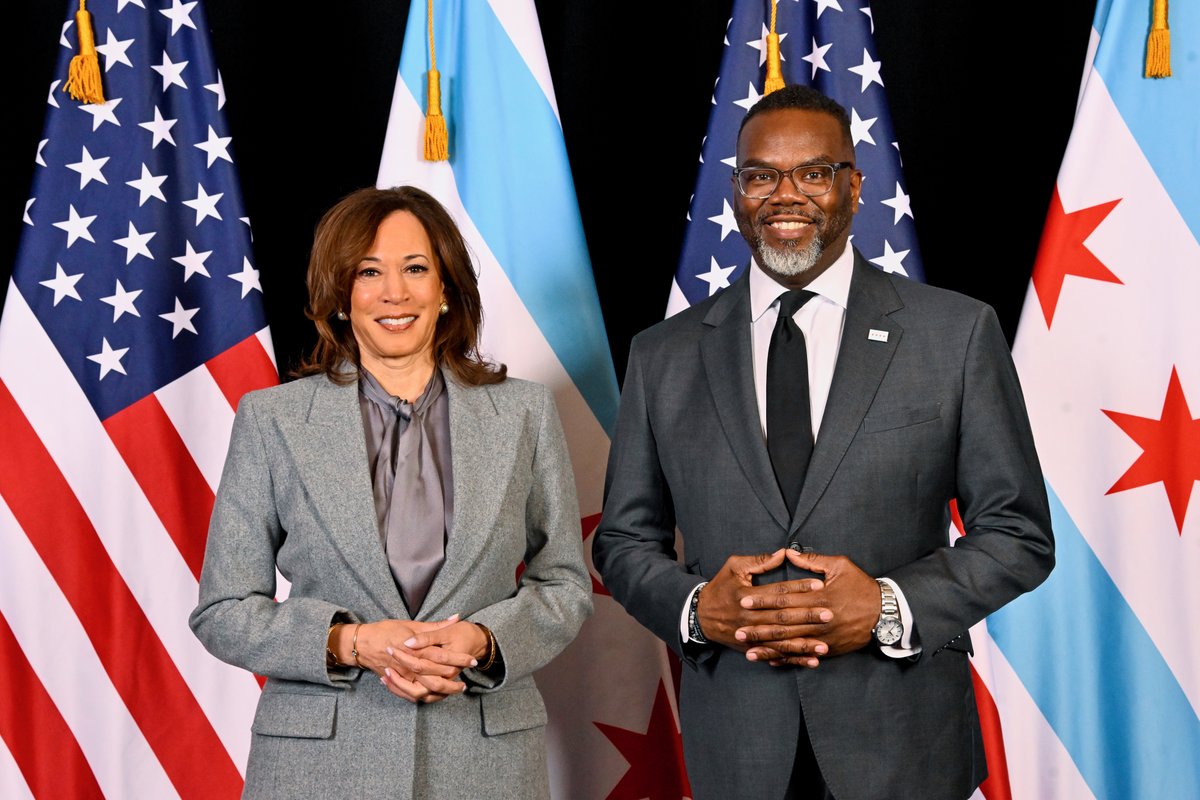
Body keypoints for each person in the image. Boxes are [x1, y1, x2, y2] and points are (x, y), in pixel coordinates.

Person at [592, 85, 1054, 800]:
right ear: (736, 192)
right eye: (761, 175)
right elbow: (624, 539)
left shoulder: (955, 335)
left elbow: (1018, 532)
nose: (785, 195)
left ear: (854, 186)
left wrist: (889, 606)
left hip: (904, 742)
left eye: (813, 173)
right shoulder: (663, 355)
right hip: (738, 746)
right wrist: (696, 610)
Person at [190, 186, 592, 799]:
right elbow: (223, 610)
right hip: (318, 769)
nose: (394, 293)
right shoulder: (272, 421)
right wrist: (349, 643)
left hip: (485, 763)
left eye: (415, 269)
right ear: (341, 295)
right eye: (368, 272)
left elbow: (563, 583)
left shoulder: (524, 414)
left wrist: (484, 643)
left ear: (446, 288)